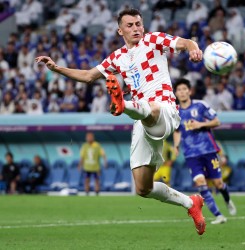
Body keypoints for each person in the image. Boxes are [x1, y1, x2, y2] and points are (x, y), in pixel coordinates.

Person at [36, 8, 206, 235]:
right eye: (130, 25)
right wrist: (56, 68)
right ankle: (191, 203)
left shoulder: (154, 40)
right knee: (142, 188)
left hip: (164, 108)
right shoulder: (118, 57)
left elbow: (183, 42)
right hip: (142, 121)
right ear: (120, 30)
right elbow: (88, 76)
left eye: (138, 24)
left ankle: (121, 104)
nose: (136, 28)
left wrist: (194, 47)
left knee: (150, 109)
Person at [173, 78, 237, 225]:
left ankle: (227, 200)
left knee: (218, 184)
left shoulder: (201, 105)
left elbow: (217, 121)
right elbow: (177, 131)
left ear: (189, 91)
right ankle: (219, 215)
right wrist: (176, 146)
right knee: (201, 184)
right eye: (179, 90)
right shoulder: (175, 111)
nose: (182, 92)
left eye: (184, 89)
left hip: (208, 150)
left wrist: (200, 124)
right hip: (190, 154)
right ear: (176, 93)